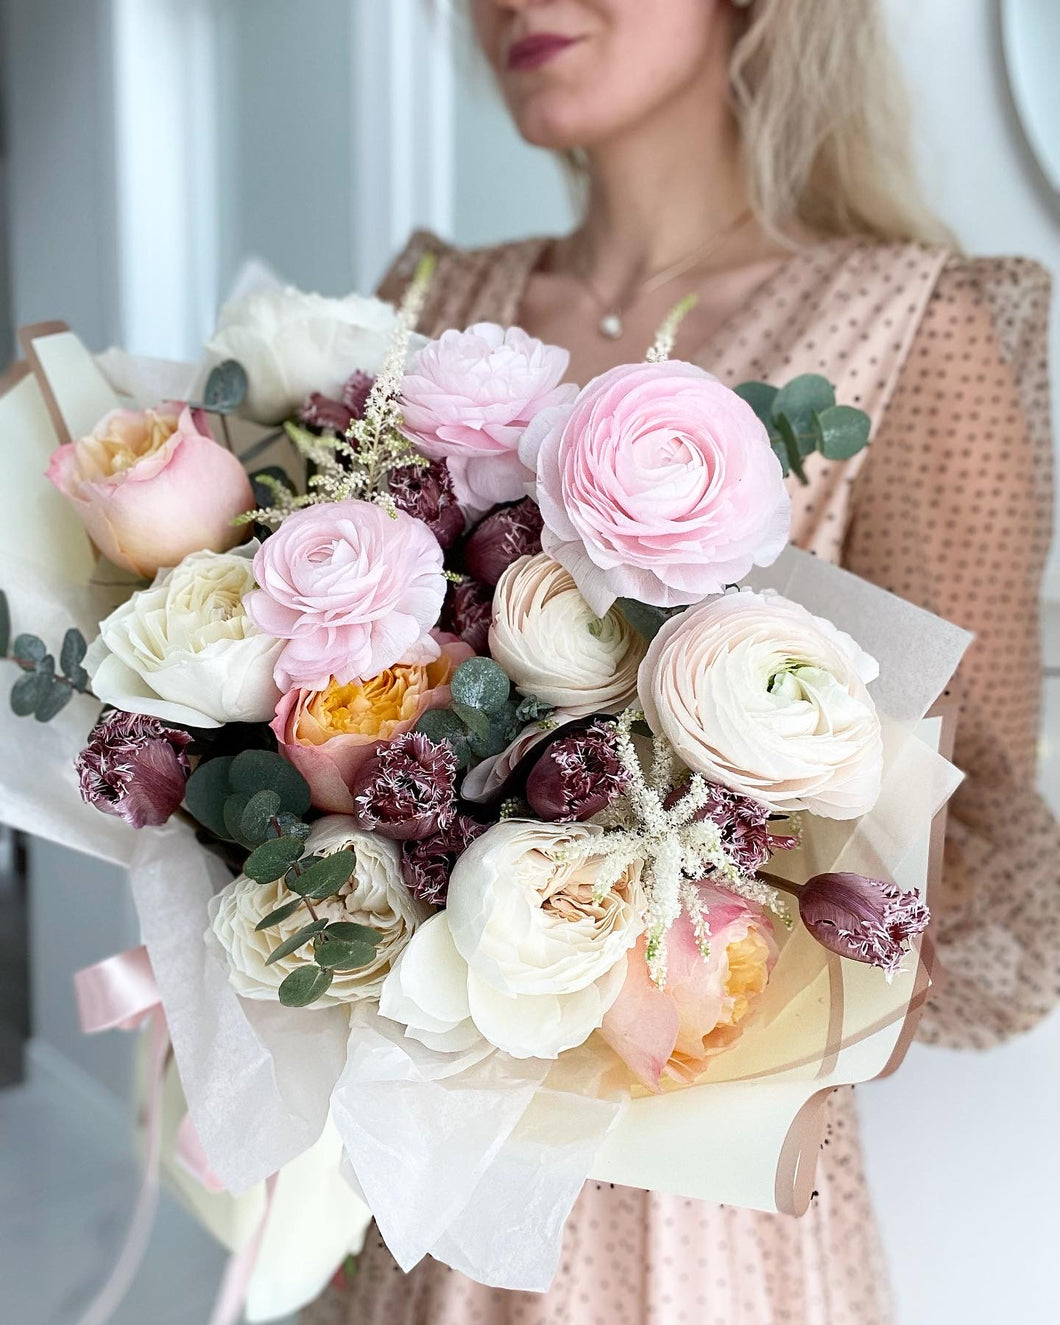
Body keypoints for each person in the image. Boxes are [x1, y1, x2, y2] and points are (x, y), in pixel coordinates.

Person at [306, 1, 1059, 1321]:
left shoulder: (914, 330)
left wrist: (665, 910)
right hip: (419, 1181)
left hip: (690, 1222)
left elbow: (973, 846)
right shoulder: (425, 310)